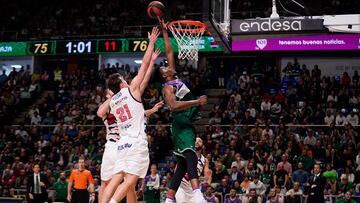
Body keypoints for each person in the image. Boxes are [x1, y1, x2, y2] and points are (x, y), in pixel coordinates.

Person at [101, 26, 160, 203]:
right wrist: (150, 44)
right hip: (135, 142)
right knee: (131, 181)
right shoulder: (132, 91)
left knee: (117, 177)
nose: (126, 80)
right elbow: (142, 68)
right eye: (123, 80)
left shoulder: (112, 102)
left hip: (122, 144)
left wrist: (150, 64)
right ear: (121, 85)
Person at [158, 19, 208, 203]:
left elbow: (169, 50)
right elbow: (173, 106)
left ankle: (169, 199)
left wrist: (165, 32)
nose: (169, 64)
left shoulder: (174, 76)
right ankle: (197, 193)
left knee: (180, 166)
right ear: (165, 75)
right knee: (191, 157)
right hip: (180, 123)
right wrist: (197, 101)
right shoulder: (167, 88)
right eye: (165, 66)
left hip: (185, 122)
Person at [97, 88, 163, 202]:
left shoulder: (122, 102)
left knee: (130, 183)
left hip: (125, 144)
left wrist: (152, 110)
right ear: (107, 95)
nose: (113, 92)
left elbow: (139, 114)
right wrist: (111, 98)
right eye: (110, 92)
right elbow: (100, 113)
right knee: (106, 182)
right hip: (114, 145)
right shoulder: (108, 105)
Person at [175, 137, 211, 203]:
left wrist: (207, 181)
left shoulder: (205, 160)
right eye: (195, 141)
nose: (197, 142)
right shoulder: (184, 156)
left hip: (194, 188)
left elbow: (207, 175)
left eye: (199, 141)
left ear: (202, 146)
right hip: (182, 187)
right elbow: (176, 171)